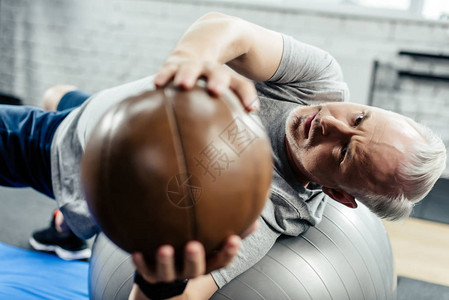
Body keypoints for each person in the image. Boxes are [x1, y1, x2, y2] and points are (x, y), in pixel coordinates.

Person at [1, 12, 445, 300]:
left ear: (338, 195)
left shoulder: (264, 209)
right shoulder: (318, 83)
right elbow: (230, 30)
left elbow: (187, 295)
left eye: (345, 152)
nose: (330, 123)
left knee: (48, 126)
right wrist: (194, 58)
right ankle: (67, 230)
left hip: (70, 150)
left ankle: (69, 223)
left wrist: (162, 282)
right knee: (55, 93)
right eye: (360, 117)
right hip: (127, 112)